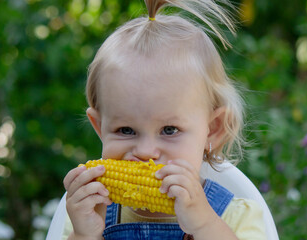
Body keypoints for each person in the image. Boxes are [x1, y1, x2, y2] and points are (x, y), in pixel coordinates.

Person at [62, 0, 267, 239]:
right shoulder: (90, 215)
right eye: (126, 130)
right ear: (100, 128)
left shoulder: (235, 217)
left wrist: (204, 226)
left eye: (169, 130)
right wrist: (83, 235)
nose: (146, 152)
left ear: (212, 129)